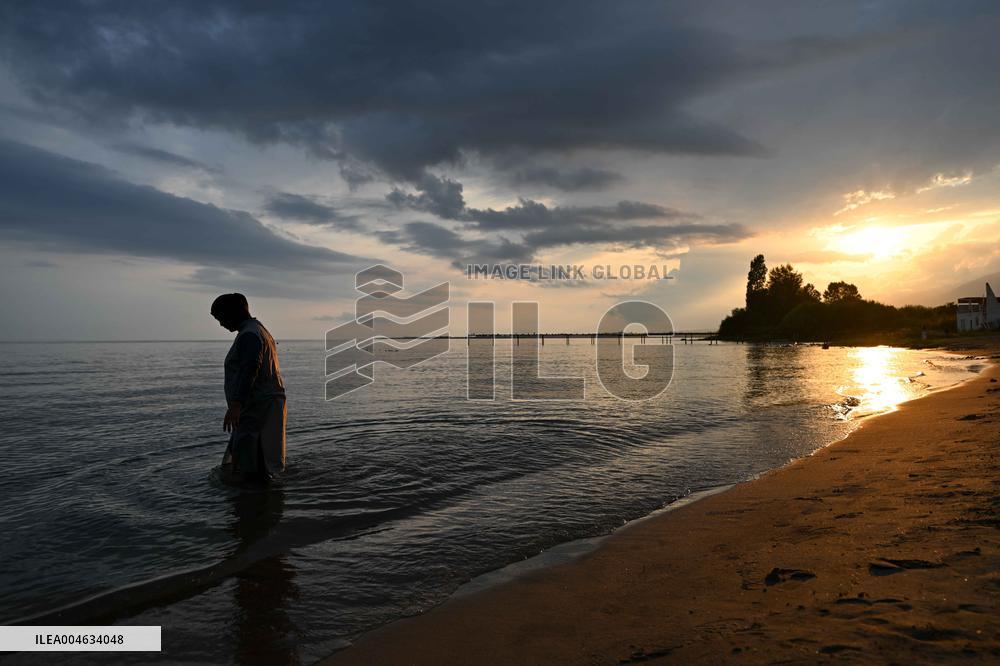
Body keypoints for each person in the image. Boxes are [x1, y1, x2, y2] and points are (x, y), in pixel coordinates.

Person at [210, 293, 286, 483]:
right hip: (262, 403)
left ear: (235, 312)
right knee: (259, 454)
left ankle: (251, 504)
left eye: (221, 317)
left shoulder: (249, 335)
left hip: (255, 406)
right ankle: (256, 500)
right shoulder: (258, 330)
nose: (221, 324)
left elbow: (249, 369)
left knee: (250, 456)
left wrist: (236, 405)